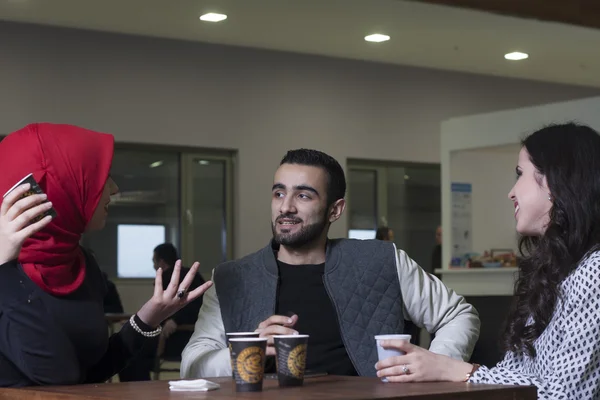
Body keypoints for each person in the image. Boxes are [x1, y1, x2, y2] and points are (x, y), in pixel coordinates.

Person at [181, 149, 479, 378]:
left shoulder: (381, 261)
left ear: (335, 210)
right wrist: (247, 351)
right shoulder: (231, 277)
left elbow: (459, 315)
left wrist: (433, 367)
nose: (286, 206)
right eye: (279, 193)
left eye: (303, 195)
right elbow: (191, 365)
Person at [375, 123, 600, 399]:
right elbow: (518, 375)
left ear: (555, 182)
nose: (512, 192)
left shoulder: (593, 272)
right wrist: (454, 370)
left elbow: (565, 396)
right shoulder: (556, 270)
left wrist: (459, 371)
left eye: (520, 174)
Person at [0, 123, 212, 387]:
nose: (113, 189)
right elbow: (57, 375)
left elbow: (91, 373)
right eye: (99, 177)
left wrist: (148, 318)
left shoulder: (81, 263)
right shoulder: (8, 275)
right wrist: (4, 272)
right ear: (60, 188)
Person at [119, 243, 207, 382]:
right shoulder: (190, 275)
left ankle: (134, 393)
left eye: (154, 261)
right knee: (134, 353)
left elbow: (180, 308)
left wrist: (175, 320)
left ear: (161, 261)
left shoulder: (167, 278)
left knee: (129, 352)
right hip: (193, 335)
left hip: (176, 338)